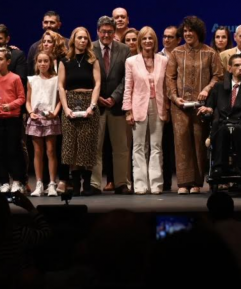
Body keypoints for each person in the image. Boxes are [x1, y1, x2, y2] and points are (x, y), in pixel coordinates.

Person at [165, 15, 223, 194]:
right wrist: (175, 98)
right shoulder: (176, 53)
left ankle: (197, 182)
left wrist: (207, 88)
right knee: (181, 143)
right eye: (185, 31)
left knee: (199, 142)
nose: (188, 34)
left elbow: (218, 76)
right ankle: (183, 183)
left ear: (198, 32)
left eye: (191, 31)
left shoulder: (210, 53)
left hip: (201, 106)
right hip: (180, 106)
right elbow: (170, 78)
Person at [202, 54, 241, 178]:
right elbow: (210, 106)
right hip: (223, 123)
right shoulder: (219, 87)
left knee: (239, 130)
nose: (240, 68)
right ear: (229, 68)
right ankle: (218, 168)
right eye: (237, 65)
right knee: (222, 130)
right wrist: (208, 109)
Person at [124, 26, 169, 194]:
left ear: (155, 41)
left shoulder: (163, 60)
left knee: (156, 146)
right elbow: (128, 87)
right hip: (138, 106)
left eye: (150, 38)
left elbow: (166, 87)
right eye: (144, 38)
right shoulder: (131, 61)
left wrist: (167, 108)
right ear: (140, 41)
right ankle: (140, 184)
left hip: (158, 105)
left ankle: (156, 184)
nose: (148, 41)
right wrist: (128, 110)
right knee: (138, 147)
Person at [57, 27, 101, 195]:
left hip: (88, 102)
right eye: (79, 38)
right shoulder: (65, 61)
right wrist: (66, 108)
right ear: (73, 40)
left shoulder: (92, 60)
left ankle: (87, 184)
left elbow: (97, 84)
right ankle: (75, 184)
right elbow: (61, 86)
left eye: (85, 38)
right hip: (70, 104)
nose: (82, 40)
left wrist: (92, 106)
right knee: (72, 145)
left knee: (87, 144)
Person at [91, 16, 132, 194]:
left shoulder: (124, 49)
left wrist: (115, 97)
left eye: (109, 32)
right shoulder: (90, 48)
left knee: (121, 147)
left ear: (114, 32)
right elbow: (86, 75)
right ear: (98, 31)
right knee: (95, 147)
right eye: (103, 32)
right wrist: (97, 96)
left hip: (117, 105)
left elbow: (127, 78)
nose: (106, 35)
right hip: (96, 105)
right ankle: (94, 184)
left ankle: (121, 183)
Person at [0, 47, 27, 193]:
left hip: (12, 119)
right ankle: (3, 181)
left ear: (8, 61)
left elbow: (21, 98)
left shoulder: (15, 78)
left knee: (13, 150)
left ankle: (17, 181)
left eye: (1, 59)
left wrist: (10, 106)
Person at [25, 50, 61, 196]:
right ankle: (39, 183)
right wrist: (30, 112)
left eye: (46, 61)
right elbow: (28, 101)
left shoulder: (56, 79)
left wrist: (55, 113)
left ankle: (52, 183)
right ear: (36, 63)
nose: (43, 64)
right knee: (37, 152)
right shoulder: (31, 80)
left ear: (51, 62)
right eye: (40, 61)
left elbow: (59, 100)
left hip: (51, 118)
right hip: (36, 118)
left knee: (51, 151)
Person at [160, 25, 180, 191]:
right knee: (164, 145)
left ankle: (184, 180)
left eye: (170, 37)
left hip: (180, 104)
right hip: (162, 105)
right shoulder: (156, 57)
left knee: (180, 145)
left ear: (178, 40)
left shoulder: (182, 55)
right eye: (165, 36)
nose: (166, 40)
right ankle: (165, 181)